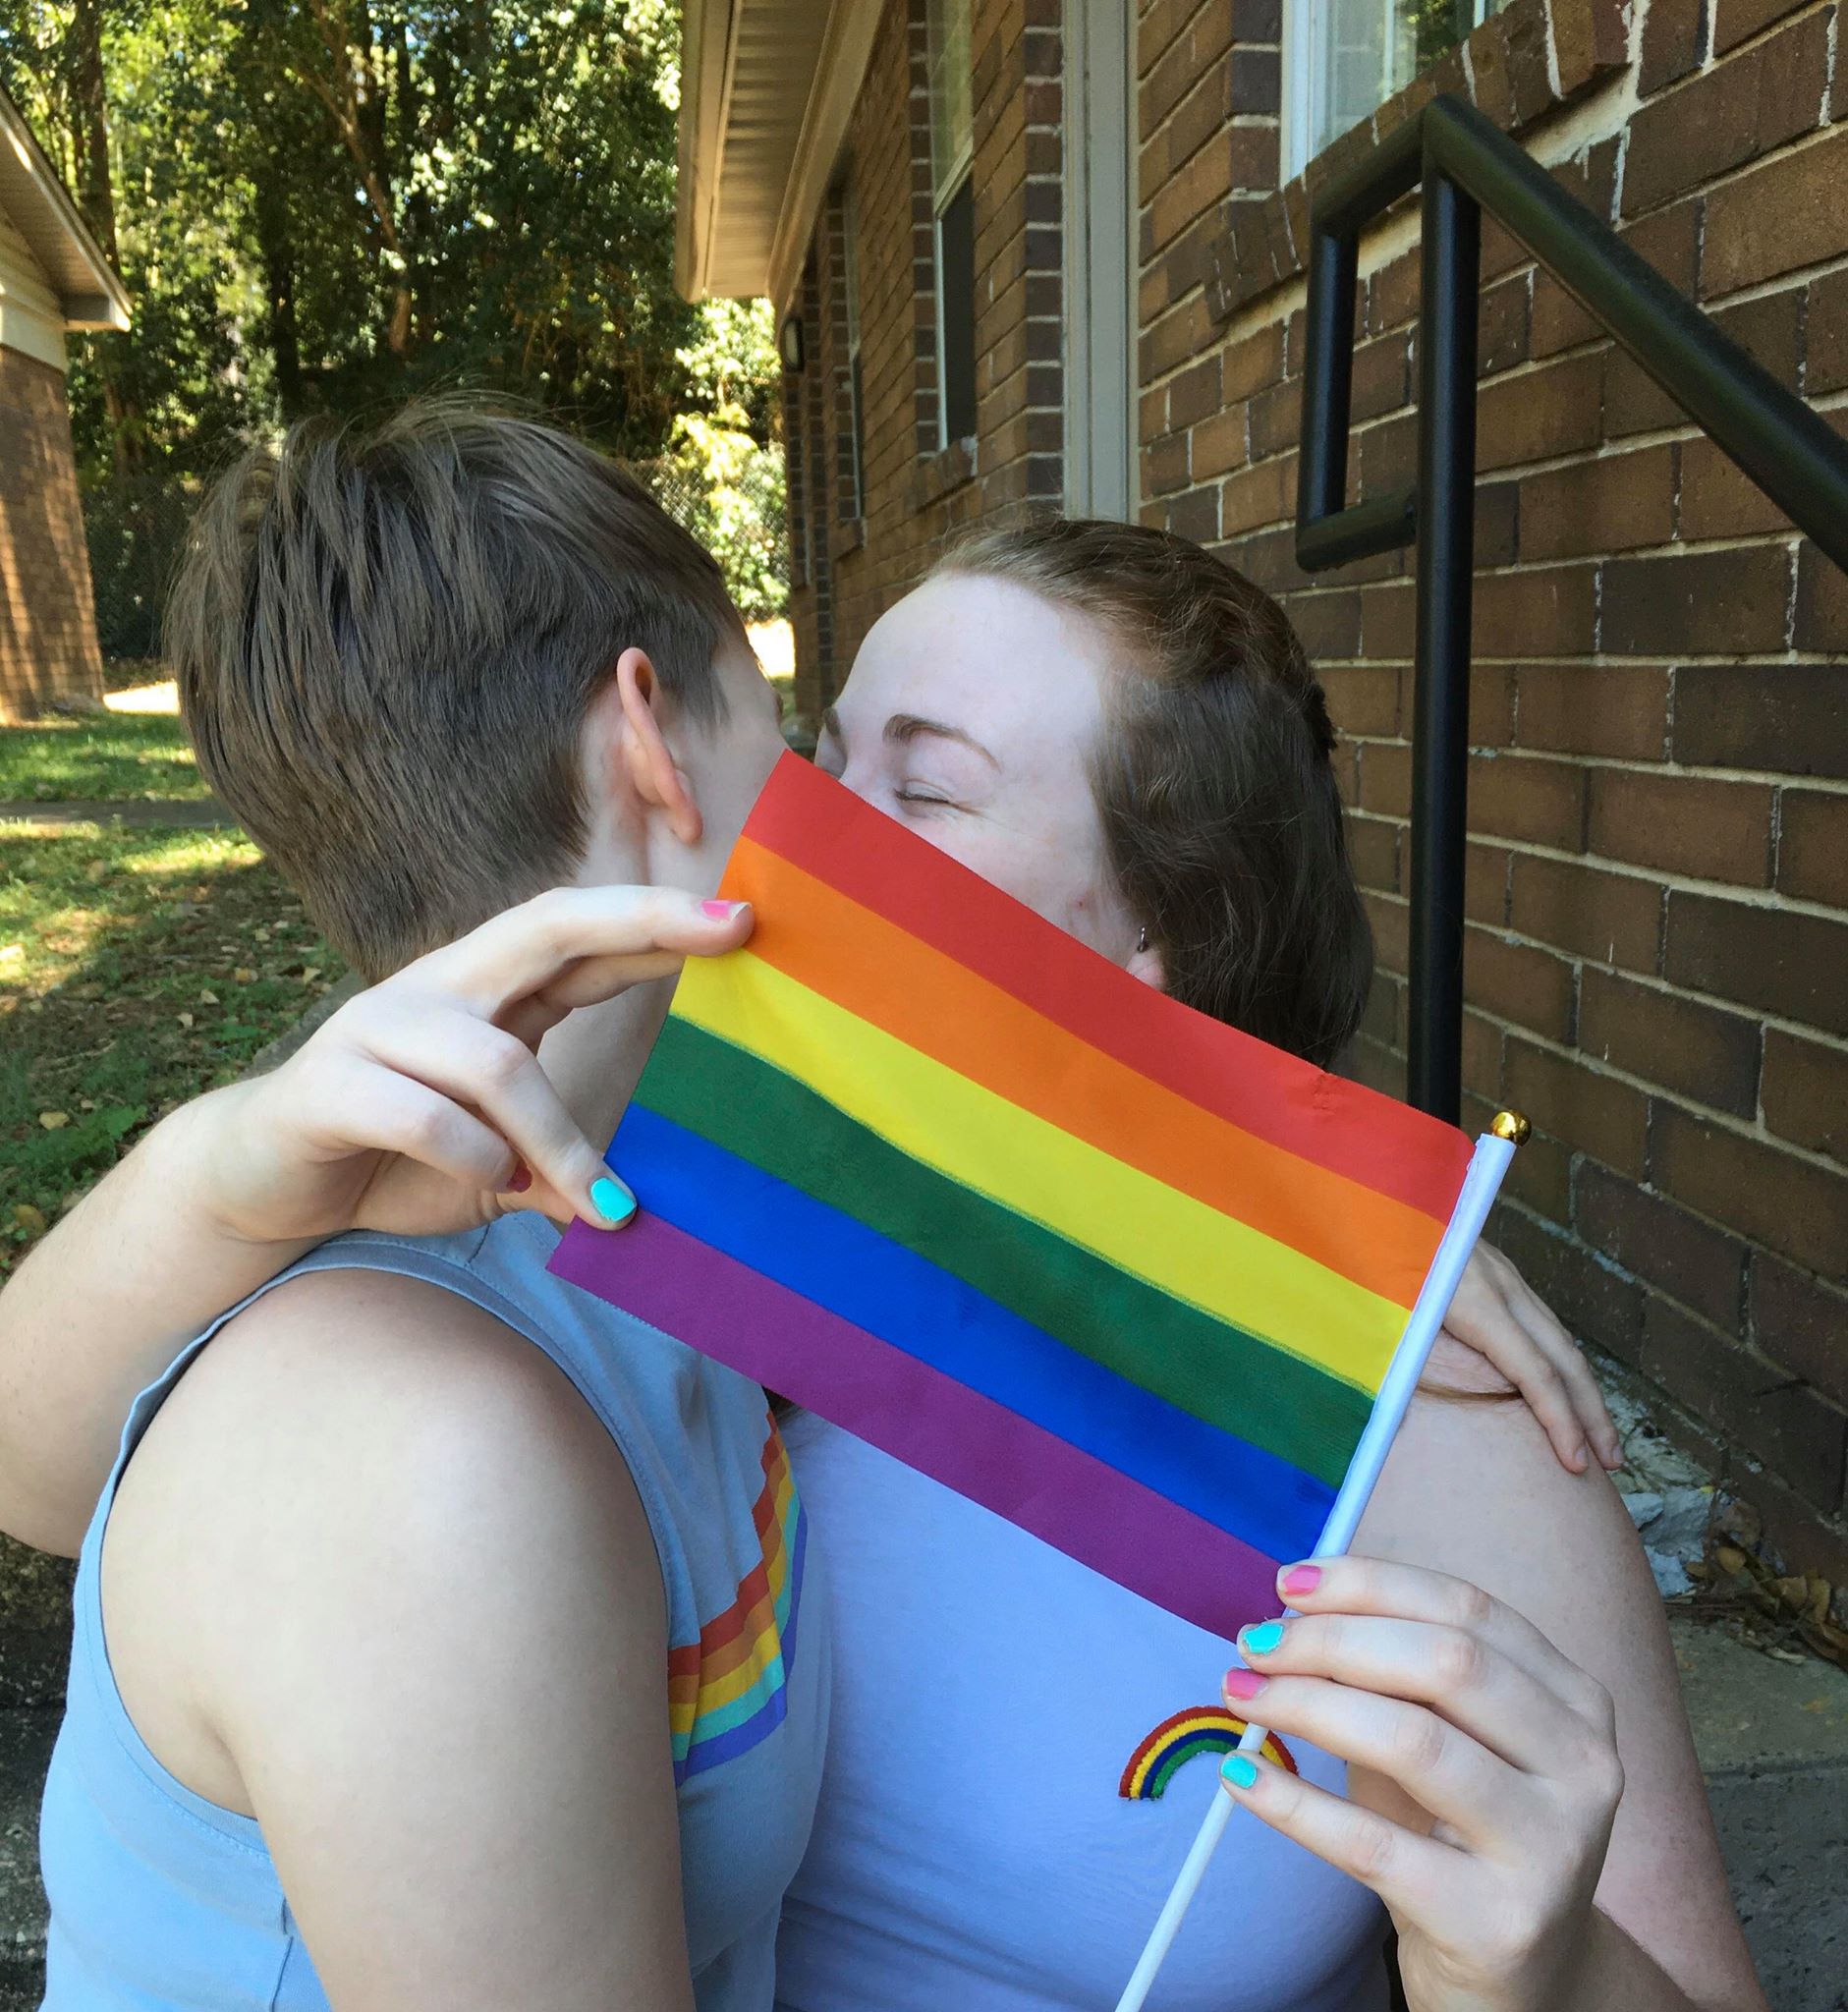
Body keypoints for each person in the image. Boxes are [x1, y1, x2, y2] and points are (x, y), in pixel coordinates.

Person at [0, 423, 1750, 2007]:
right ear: (660, 750)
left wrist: (1543, 1976)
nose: (821, 840)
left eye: (918, 791)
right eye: (820, 752)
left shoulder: (1410, 1410)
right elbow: (76, 1466)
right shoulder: (652, 1242)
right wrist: (218, 1161)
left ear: (1158, 954)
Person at [8, 408, 827, 2011]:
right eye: (796, 734)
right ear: (648, 740)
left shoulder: (683, 1182)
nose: (832, 796)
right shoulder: (416, 1467)